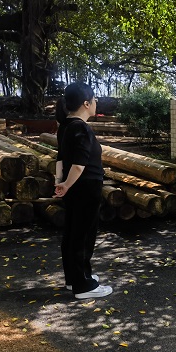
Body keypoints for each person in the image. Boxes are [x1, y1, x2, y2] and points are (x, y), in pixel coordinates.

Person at [54, 82, 113, 299]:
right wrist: (66, 184)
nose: (96, 103)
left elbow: (60, 159)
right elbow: (79, 164)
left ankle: (75, 278)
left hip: (74, 187)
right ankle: (83, 286)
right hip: (85, 187)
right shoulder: (80, 128)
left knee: (73, 232)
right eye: (94, 99)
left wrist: (60, 183)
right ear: (86, 104)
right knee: (83, 235)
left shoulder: (65, 126)